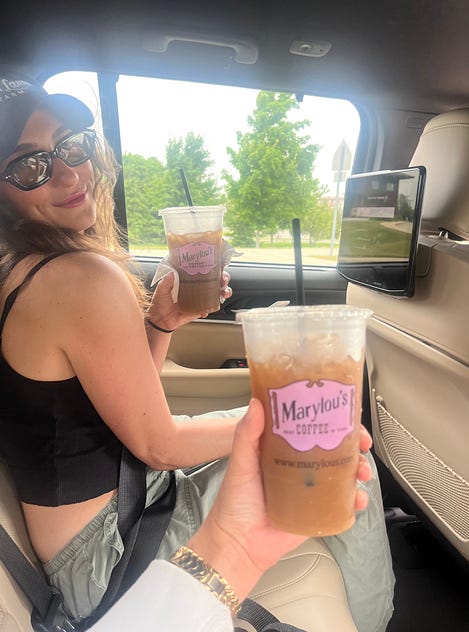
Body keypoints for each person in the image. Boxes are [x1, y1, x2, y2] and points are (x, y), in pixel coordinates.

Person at [0, 70, 394, 631]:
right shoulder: (79, 277)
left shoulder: (22, 272)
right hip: (111, 554)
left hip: (105, 531)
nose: (67, 172)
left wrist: (161, 322)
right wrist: (295, 423)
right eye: (29, 165)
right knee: (347, 455)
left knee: (312, 446)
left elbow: (114, 419)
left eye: (70, 146)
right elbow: (158, 445)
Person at [89, 398, 373, 631]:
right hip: (105, 536)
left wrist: (237, 547)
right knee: (333, 441)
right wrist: (278, 428)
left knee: (329, 435)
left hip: (124, 481)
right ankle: (374, 622)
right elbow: (159, 447)